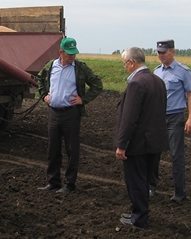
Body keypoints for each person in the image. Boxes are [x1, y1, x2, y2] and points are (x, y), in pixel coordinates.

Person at [37, 37, 103, 194]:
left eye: (74, 53)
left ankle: (69, 184)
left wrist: (83, 99)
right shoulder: (51, 66)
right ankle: (53, 182)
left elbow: (97, 84)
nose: (73, 56)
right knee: (53, 149)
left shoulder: (79, 68)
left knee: (72, 150)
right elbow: (39, 79)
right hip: (53, 112)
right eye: (69, 53)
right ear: (61, 52)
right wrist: (43, 95)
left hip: (71, 114)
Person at [115, 47, 169, 229]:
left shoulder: (136, 84)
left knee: (136, 181)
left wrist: (122, 144)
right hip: (155, 141)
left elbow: (129, 119)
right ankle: (136, 211)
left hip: (138, 144)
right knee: (144, 180)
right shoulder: (158, 81)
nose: (125, 67)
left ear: (131, 63)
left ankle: (139, 218)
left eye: (125, 64)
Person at [152, 39, 191, 202]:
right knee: (153, 154)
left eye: (163, 52)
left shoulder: (183, 71)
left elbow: (190, 94)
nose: (160, 55)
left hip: (175, 117)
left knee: (176, 155)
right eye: (158, 52)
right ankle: (151, 186)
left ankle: (180, 192)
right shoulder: (156, 72)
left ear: (172, 52)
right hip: (157, 118)